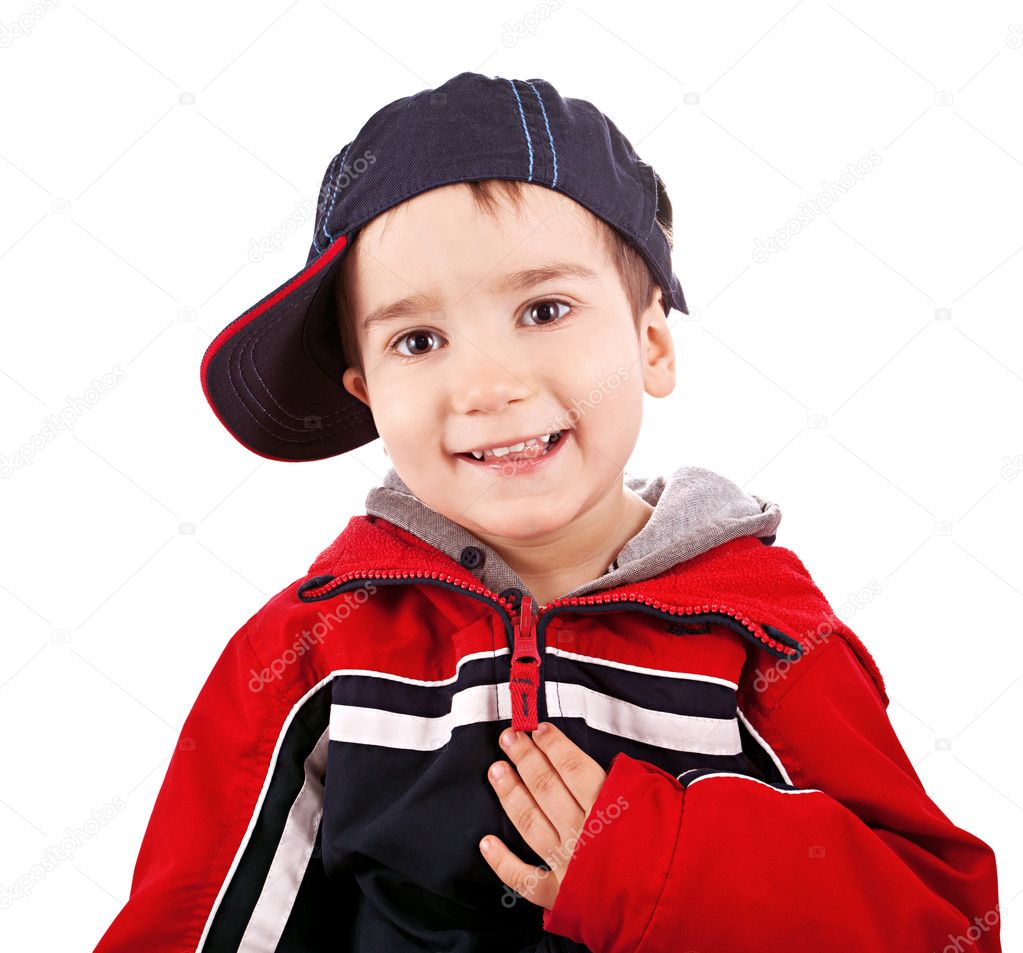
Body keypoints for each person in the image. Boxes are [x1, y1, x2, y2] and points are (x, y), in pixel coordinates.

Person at [91, 71, 1002, 953]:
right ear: (368, 392)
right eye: (419, 338)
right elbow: (194, 921)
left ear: (649, 343)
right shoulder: (311, 652)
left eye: (543, 307)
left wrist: (651, 864)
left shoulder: (767, 641)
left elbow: (940, 921)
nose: (488, 384)